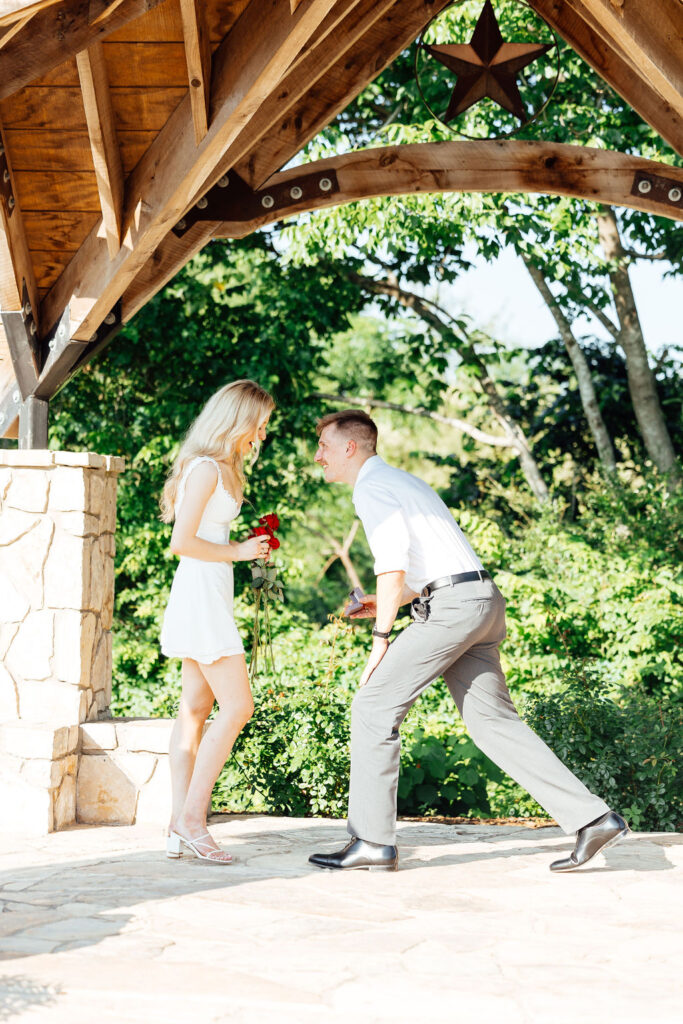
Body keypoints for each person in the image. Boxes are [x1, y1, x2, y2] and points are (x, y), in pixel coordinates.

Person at [308, 410, 628, 873]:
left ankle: (372, 842)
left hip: (454, 609)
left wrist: (380, 640)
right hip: (479, 600)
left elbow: (392, 564)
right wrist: (388, 603)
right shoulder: (404, 482)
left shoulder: (371, 487)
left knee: (373, 705)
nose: (318, 456)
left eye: (323, 446)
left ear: (350, 447)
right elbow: (426, 568)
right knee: (491, 722)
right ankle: (594, 818)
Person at [159, 380, 274, 863]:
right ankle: (191, 818)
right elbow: (181, 542)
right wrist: (239, 551)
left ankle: (176, 825)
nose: (263, 434)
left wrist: (244, 552)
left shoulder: (226, 468)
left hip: (208, 592)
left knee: (194, 710)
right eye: (260, 423)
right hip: (201, 594)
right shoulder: (206, 468)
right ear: (238, 419)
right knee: (238, 707)